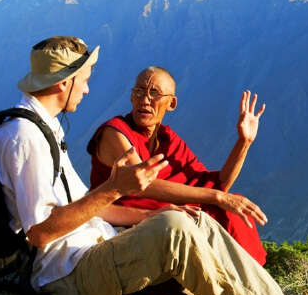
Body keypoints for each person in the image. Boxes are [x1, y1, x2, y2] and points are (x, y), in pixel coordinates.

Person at [0, 37, 285, 295]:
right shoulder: (25, 136)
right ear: (63, 82)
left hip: (96, 245)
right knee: (175, 229)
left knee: (197, 221)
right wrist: (115, 188)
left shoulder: (47, 130)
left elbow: (90, 206)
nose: (88, 89)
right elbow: (40, 232)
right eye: (84, 79)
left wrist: (153, 213)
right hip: (65, 272)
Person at [87, 66, 269, 265]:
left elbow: (217, 184)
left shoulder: (167, 140)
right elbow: (141, 182)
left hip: (168, 220)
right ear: (131, 97)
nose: (144, 99)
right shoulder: (114, 133)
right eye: (139, 92)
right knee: (220, 204)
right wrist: (218, 197)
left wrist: (244, 142)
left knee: (231, 210)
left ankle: (250, 275)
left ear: (171, 103)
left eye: (154, 93)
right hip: (124, 225)